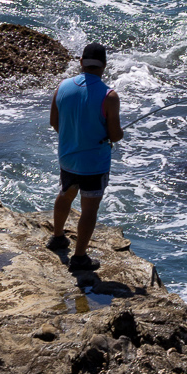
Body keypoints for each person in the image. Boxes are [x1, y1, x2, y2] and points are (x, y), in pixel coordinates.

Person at [47, 42, 124, 271]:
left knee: (65, 194)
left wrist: (74, 138)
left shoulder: (62, 87)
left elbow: (54, 122)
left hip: (68, 158)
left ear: (81, 62)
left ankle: (57, 237)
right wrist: (116, 134)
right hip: (94, 164)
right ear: (104, 65)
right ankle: (79, 258)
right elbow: (115, 135)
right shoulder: (110, 96)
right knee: (89, 209)